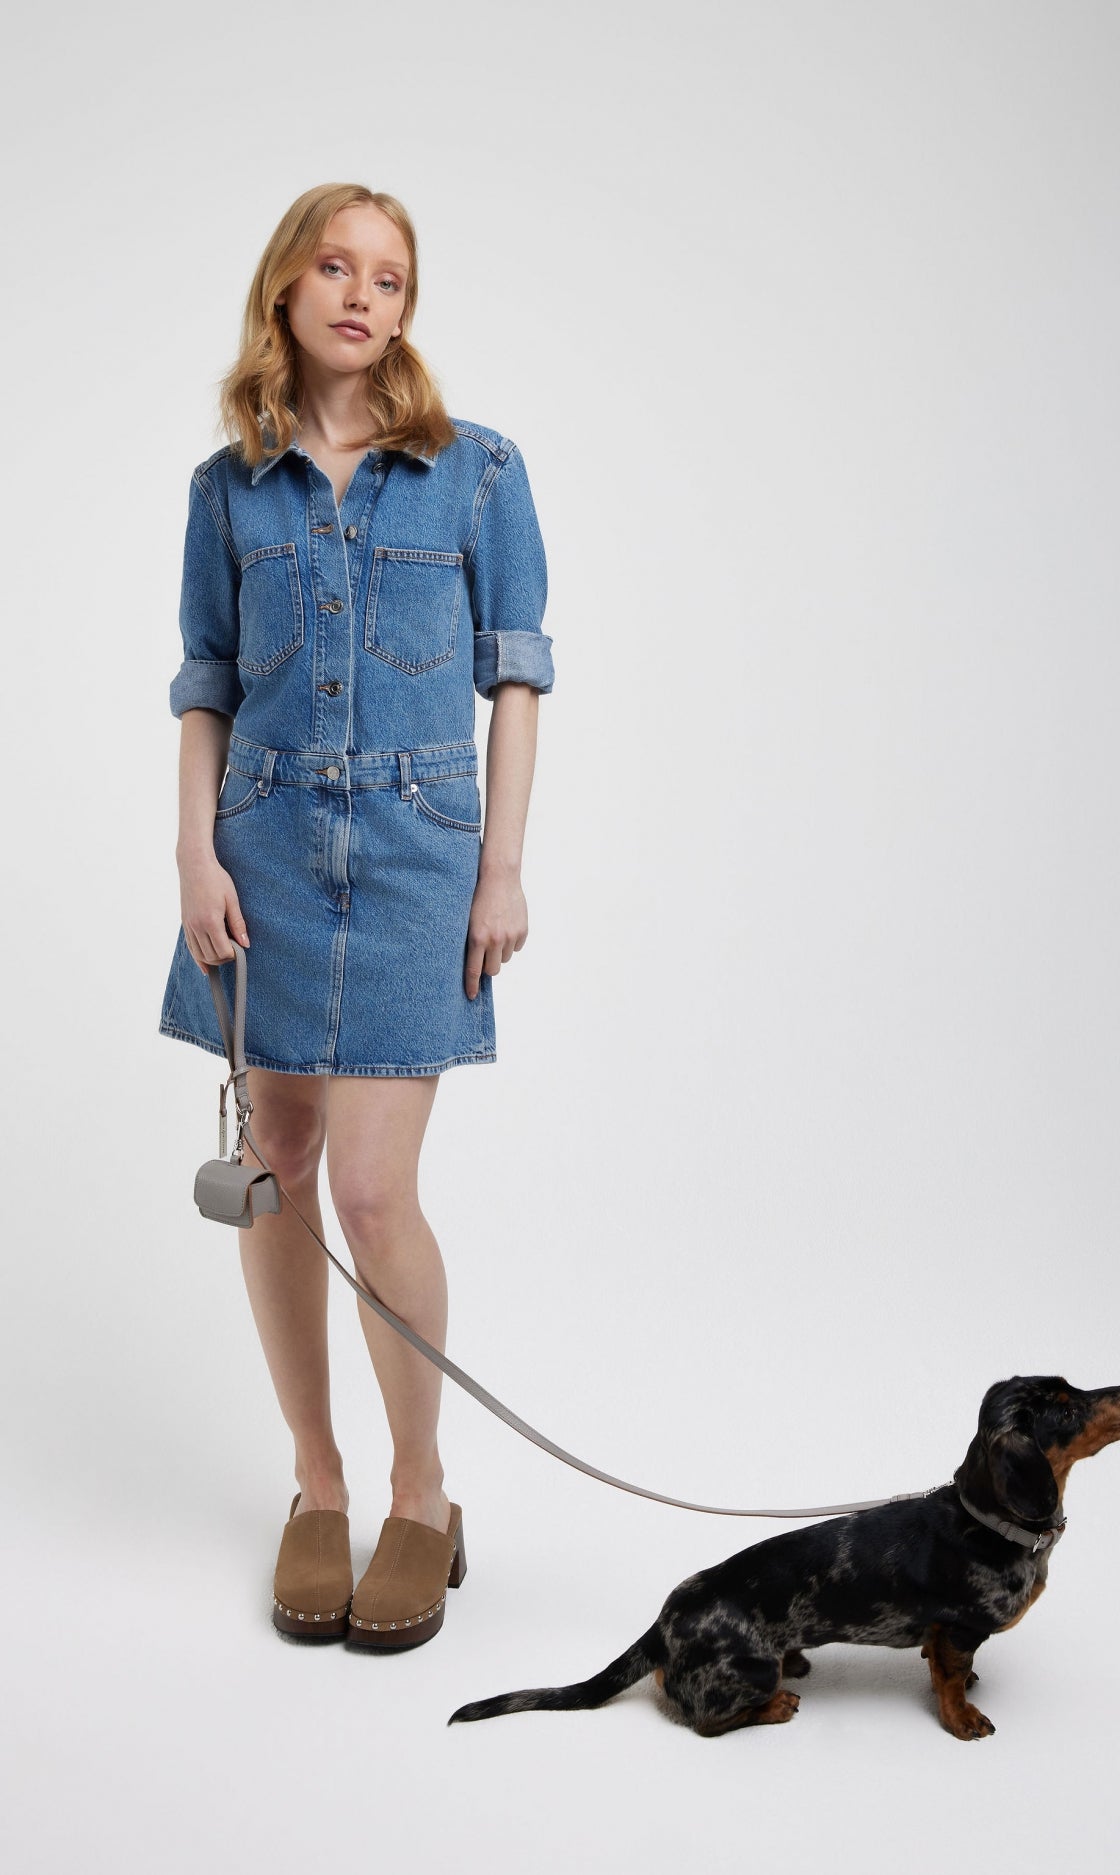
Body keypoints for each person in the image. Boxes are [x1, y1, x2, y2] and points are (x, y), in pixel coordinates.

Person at [157, 181, 554, 1650]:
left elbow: (517, 678)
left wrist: (500, 868)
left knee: (375, 1196)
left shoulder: (479, 472)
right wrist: (193, 856)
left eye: (388, 278)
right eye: (335, 267)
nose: (361, 296)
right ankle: (316, 1484)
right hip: (260, 851)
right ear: (287, 285)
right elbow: (206, 685)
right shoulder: (227, 489)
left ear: (406, 308)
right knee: (278, 1166)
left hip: (413, 855)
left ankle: (420, 1494)